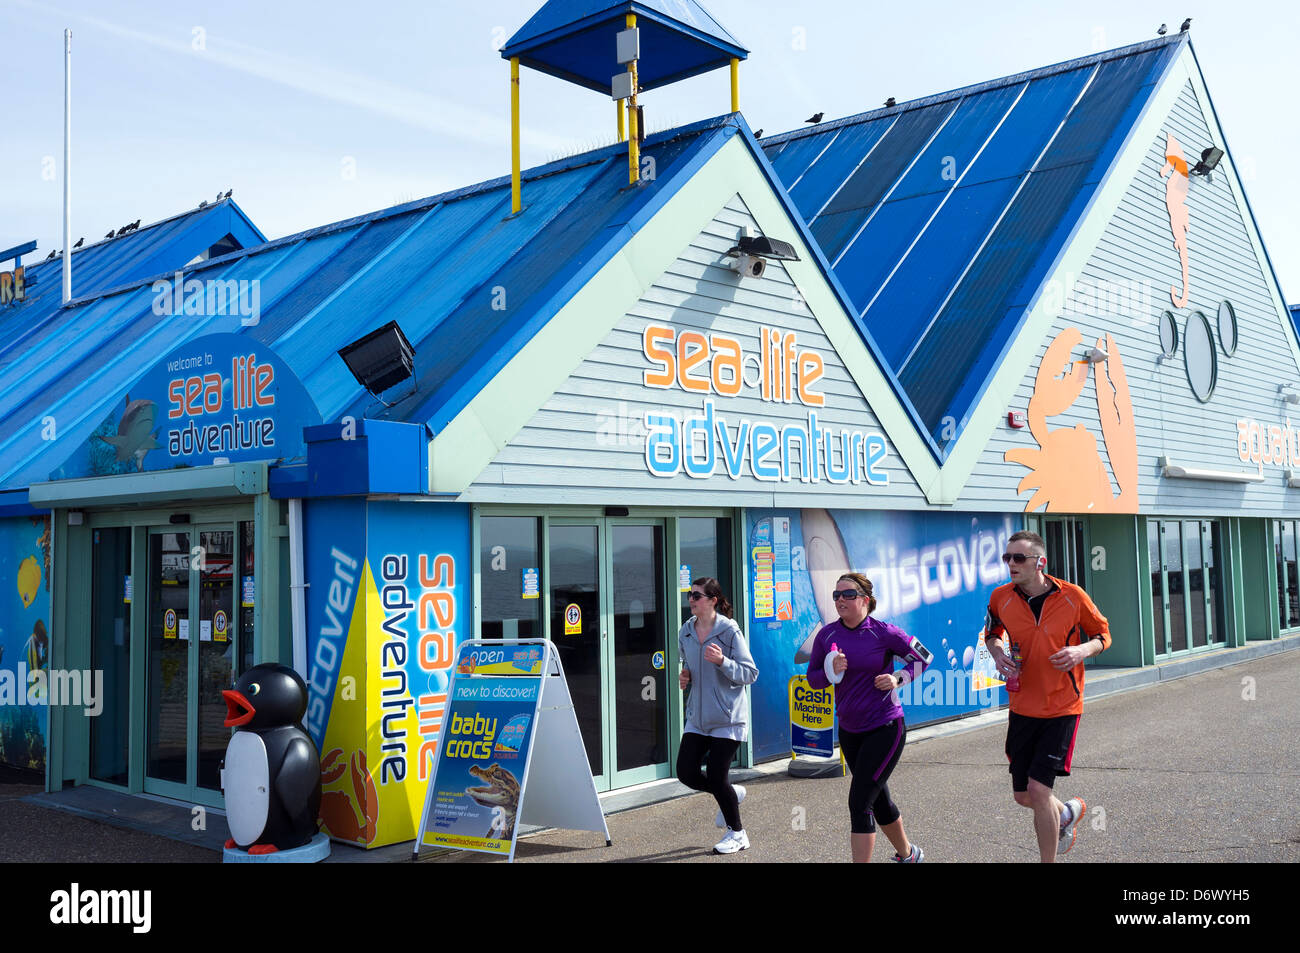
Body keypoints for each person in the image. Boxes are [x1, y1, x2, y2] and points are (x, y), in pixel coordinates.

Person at [984, 530, 1110, 862]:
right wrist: (997, 653)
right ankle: (1066, 814)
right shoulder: (1001, 597)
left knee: (1040, 791)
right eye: (1007, 557)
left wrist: (1081, 650)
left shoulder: (1072, 596)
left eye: (1018, 558)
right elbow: (993, 633)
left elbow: (1102, 635)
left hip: (1062, 706)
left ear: (1040, 562)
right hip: (1022, 705)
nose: (1011, 564)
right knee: (1024, 795)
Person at [806, 572, 931, 863]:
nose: (840, 600)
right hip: (850, 730)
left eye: (848, 594)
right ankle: (910, 855)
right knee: (880, 801)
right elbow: (813, 680)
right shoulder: (827, 635)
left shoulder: (883, 632)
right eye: (836, 595)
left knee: (860, 802)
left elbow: (924, 657)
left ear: (865, 599)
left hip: (886, 727)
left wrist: (898, 678)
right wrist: (829, 670)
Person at [677, 577, 759, 855]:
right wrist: (686, 676)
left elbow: (750, 673)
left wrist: (723, 661)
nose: (691, 599)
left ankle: (738, 834)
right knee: (685, 772)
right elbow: (687, 665)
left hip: (728, 717)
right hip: (698, 717)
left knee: (715, 774)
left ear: (712, 601)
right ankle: (731, 794)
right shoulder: (686, 632)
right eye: (690, 595)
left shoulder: (729, 631)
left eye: (697, 596)